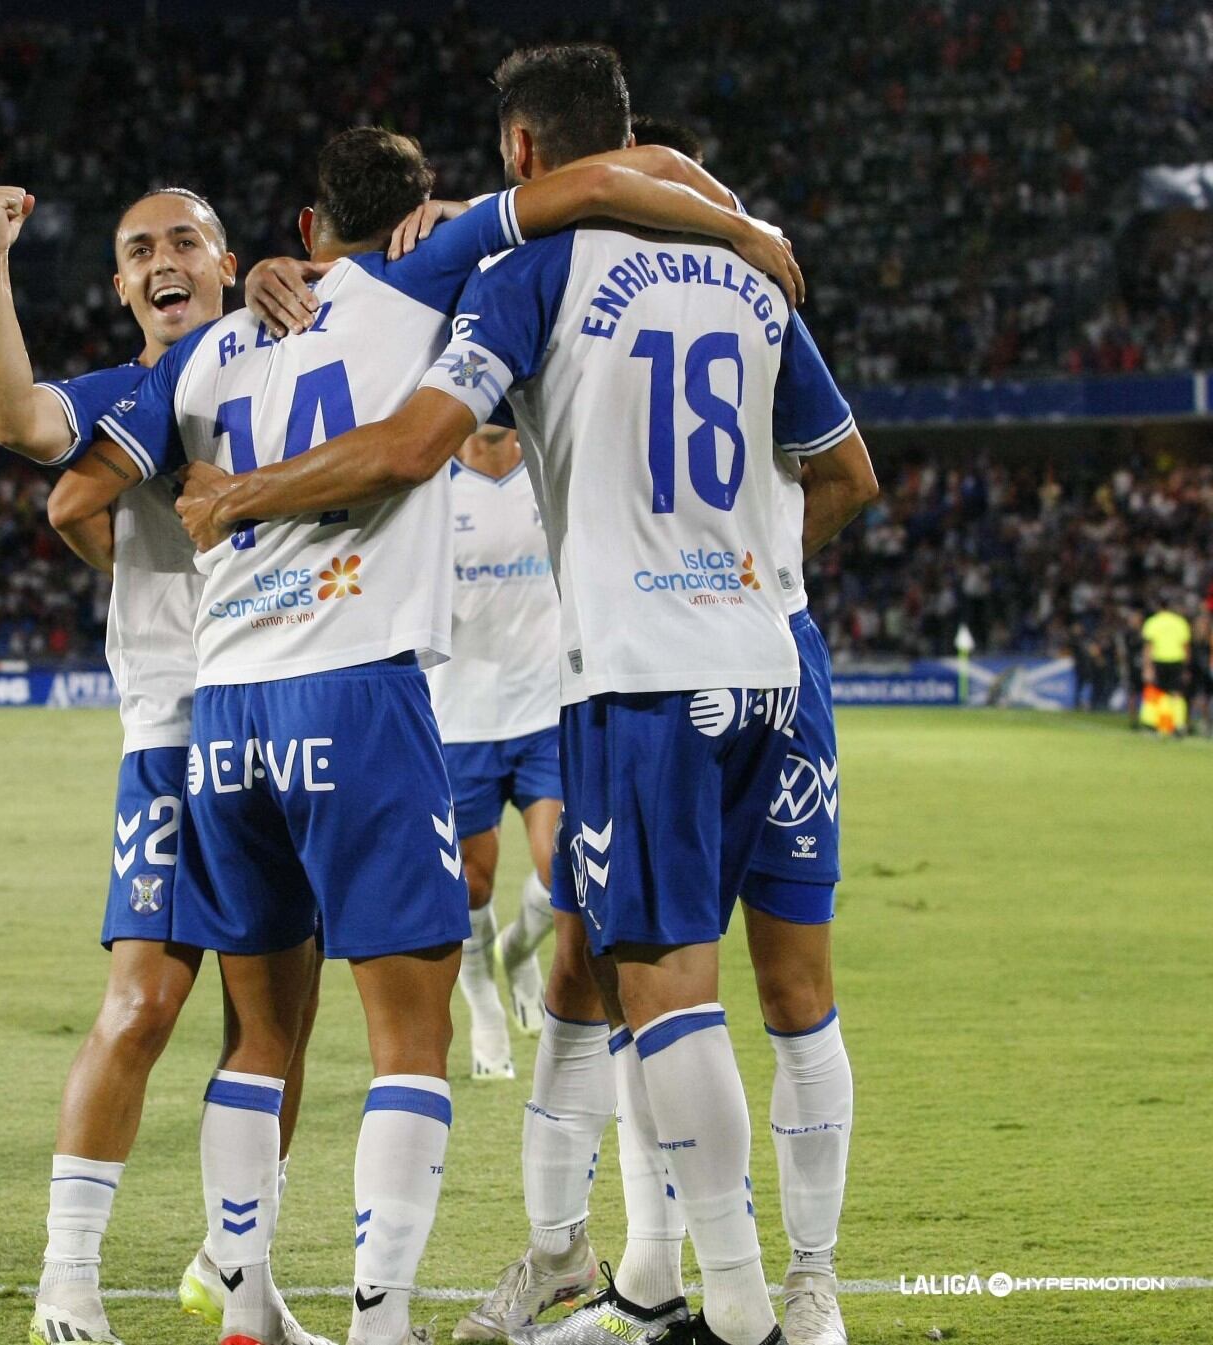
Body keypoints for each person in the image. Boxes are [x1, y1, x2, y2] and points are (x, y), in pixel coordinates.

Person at [64, 119, 796, 1345]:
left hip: (228, 713)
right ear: (421, 214)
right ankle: (380, 1322)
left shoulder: (205, 356)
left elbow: (78, 487)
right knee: (410, 1040)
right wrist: (739, 224)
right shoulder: (428, 277)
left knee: (257, 1033)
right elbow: (615, 174)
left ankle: (243, 1309)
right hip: (359, 689)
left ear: (301, 231)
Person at [521, 117, 878, 1345]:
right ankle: (689, 1282)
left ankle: (750, 1294)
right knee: (740, 988)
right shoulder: (750, 281)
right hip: (772, 657)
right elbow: (848, 477)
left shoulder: (595, 288)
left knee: (679, 978)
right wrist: (759, 577)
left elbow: (843, 477)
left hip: (667, 674)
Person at [0, 181, 328, 1345]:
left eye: (185, 240)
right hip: (177, 733)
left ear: (229, 261)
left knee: (278, 1026)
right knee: (144, 1003)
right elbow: (17, 423)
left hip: (294, 717)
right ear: (123, 288)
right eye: (140, 251)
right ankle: (66, 1278)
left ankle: (241, 1275)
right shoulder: (120, 396)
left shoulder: (292, 360)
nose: (162, 259)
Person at [430, 422, 561, 1084]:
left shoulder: (548, 465)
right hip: (460, 718)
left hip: (545, 710)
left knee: (565, 867)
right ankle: (483, 1003)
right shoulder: (429, 485)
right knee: (471, 885)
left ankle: (517, 951)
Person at [1138, 593, 1193, 736]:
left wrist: (1147, 667)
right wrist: (1186, 668)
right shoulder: (1180, 622)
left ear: (1159, 606)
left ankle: (1155, 725)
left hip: (1159, 660)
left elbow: (1148, 646)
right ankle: (1179, 725)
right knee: (1177, 693)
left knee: (1156, 693)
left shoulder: (1153, 622)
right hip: (1177, 661)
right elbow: (1186, 647)